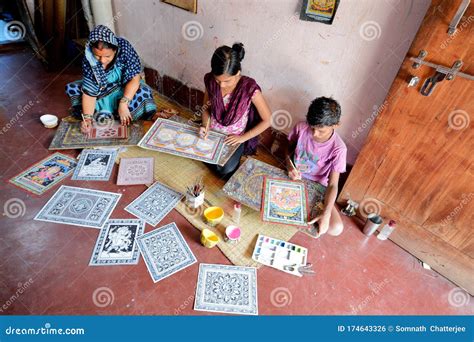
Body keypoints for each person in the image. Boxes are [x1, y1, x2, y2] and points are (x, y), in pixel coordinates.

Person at [65, 25, 156, 134]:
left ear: (115, 50)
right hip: (102, 90)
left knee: (143, 92)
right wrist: (87, 119)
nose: (102, 61)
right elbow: (90, 92)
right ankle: (106, 114)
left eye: (107, 56)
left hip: (125, 88)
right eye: (97, 56)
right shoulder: (89, 58)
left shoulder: (125, 49)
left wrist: (124, 103)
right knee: (75, 89)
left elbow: (134, 79)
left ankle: (115, 112)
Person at [200, 43, 272, 178]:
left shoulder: (249, 89)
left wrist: (242, 138)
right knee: (193, 150)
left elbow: (268, 120)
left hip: (233, 138)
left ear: (238, 73)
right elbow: (206, 108)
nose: (221, 85)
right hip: (212, 132)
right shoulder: (210, 81)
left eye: (227, 81)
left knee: (224, 171)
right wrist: (205, 126)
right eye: (217, 80)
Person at [285, 97, 347, 237]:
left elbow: (332, 185)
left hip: (316, 186)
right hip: (293, 177)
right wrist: (289, 166)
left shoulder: (339, 149)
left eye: (321, 131)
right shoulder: (301, 127)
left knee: (335, 228)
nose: (314, 134)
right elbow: (288, 149)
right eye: (312, 128)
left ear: (336, 125)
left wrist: (325, 215)